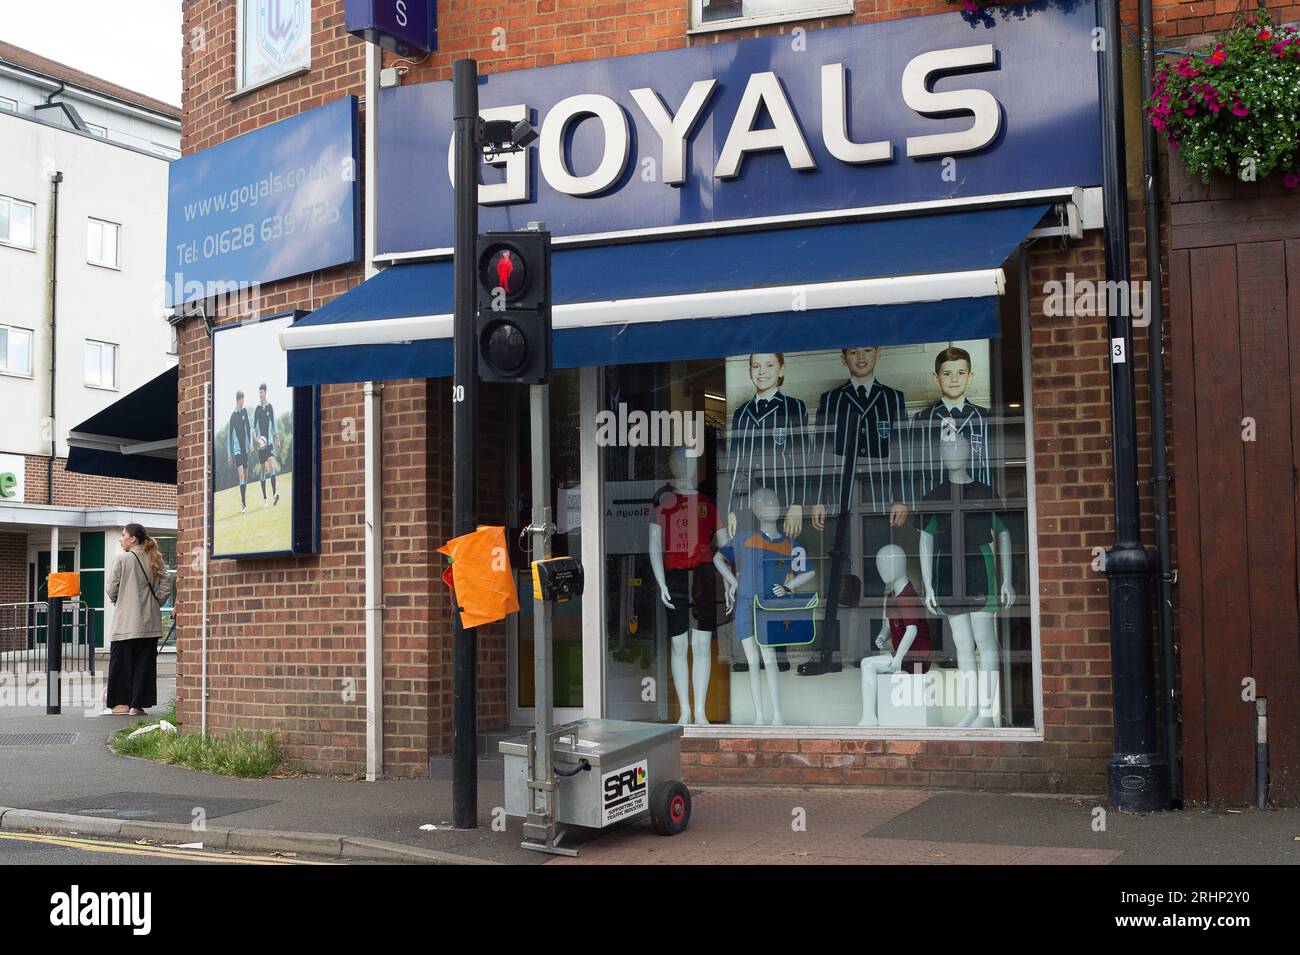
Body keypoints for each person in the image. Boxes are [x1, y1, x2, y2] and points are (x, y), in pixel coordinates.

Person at [105, 523, 173, 716]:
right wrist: (156, 601)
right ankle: (137, 706)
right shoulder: (155, 559)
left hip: (126, 623)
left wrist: (119, 600)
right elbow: (166, 584)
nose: (120, 539)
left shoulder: (121, 560)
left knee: (121, 665)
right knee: (144, 665)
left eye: (123, 535)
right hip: (150, 622)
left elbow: (111, 590)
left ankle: (121, 705)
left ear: (132, 539)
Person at [253, 382, 280, 507]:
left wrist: (277, 439)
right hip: (260, 445)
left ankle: (274, 494)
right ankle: (265, 498)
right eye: (259, 392)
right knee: (263, 471)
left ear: (266, 392)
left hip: (268, 444)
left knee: (271, 466)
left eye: (261, 392)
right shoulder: (257, 409)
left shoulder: (270, 407)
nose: (260, 394)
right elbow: (253, 426)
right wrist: (255, 439)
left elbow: (274, 424)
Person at [226, 390, 254, 514]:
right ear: (238, 400)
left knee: (246, 475)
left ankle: (243, 496)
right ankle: (243, 503)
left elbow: (248, 427)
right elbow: (229, 437)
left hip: (245, 449)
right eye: (243, 399)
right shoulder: (233, 416)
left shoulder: (245, 412)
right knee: (241, 474)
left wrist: (251, 443)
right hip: (237, 450)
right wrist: (229, 455)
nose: (244, 401)